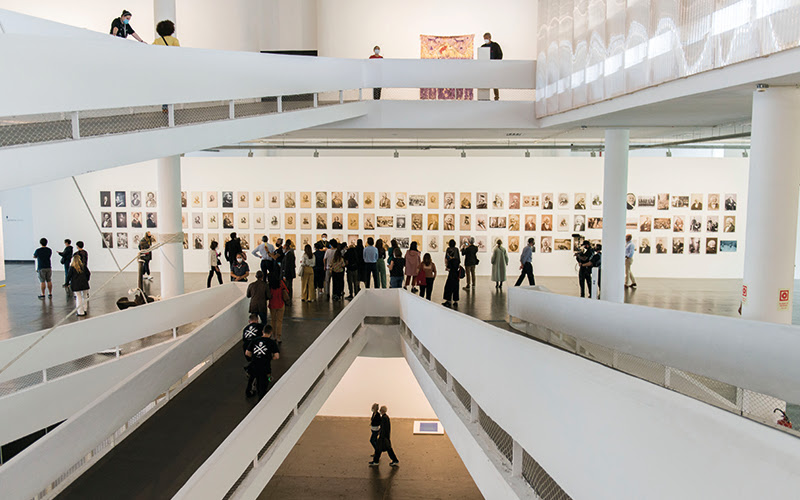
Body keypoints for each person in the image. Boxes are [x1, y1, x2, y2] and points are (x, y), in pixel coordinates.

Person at [244, 324, 280, 400]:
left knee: (252, 378)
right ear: (271, 333)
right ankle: (261, 399)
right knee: (263, 385)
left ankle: (249, 391)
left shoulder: (255, 340)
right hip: (265, 366)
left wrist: (254, 357)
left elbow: (247, 353)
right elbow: (277, 356)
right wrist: (269, 358)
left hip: (254, 365)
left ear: (262, 331)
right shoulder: (272, 342)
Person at [481, 33, 503, 101]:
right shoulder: (483, 47)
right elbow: (481, 56)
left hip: (494, 67)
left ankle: (496, 97)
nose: (485, 39)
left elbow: (500, 55)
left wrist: (495, 62)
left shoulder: (495, 46)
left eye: (487, 38)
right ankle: (484, 97)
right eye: (484, 38)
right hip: (486, 67)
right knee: (486, 82)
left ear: (490, 38)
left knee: (494, 82)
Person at [268, 273, 289, 343]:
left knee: (273, 321)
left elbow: (268, 295)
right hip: (280, 304)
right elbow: (287, 291)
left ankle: (273, 336)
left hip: (272, 305)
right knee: (279, 321)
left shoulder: (269, 285)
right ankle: (279, 337)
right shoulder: (281, 283)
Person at [442, 239, 461, 307]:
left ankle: (448, 300)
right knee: (456, 285)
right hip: (456, 269)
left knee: (449, 285)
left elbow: (446, 258)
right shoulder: (456, 250)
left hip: (451, 269)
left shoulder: (448, 249)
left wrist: (447, 266)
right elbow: (459, 259)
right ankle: (455, 300)